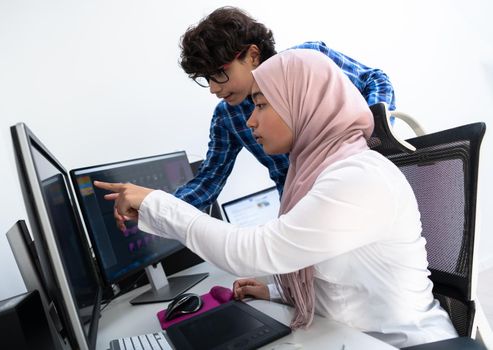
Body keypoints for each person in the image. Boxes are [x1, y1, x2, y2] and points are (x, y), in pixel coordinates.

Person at [94, 49, 457, 348]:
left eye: (262, 105)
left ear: (303, 103)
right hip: (350, 336)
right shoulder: (314, 173)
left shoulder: (357, 177)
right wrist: (277, 290)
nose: (250, 121)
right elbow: (337, 278)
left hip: (405, 344)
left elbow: (253, 251)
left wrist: (157, 202)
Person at [174, 6, 396, 210]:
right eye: (206, 78)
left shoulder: (308, 65)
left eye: (219, 73)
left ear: (252, 55)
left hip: (358, 192)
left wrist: (371, 137)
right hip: (299, 208)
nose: (213, 88)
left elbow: (375, 80)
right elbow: (209, 179)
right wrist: (152, 206)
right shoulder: (227, 116)